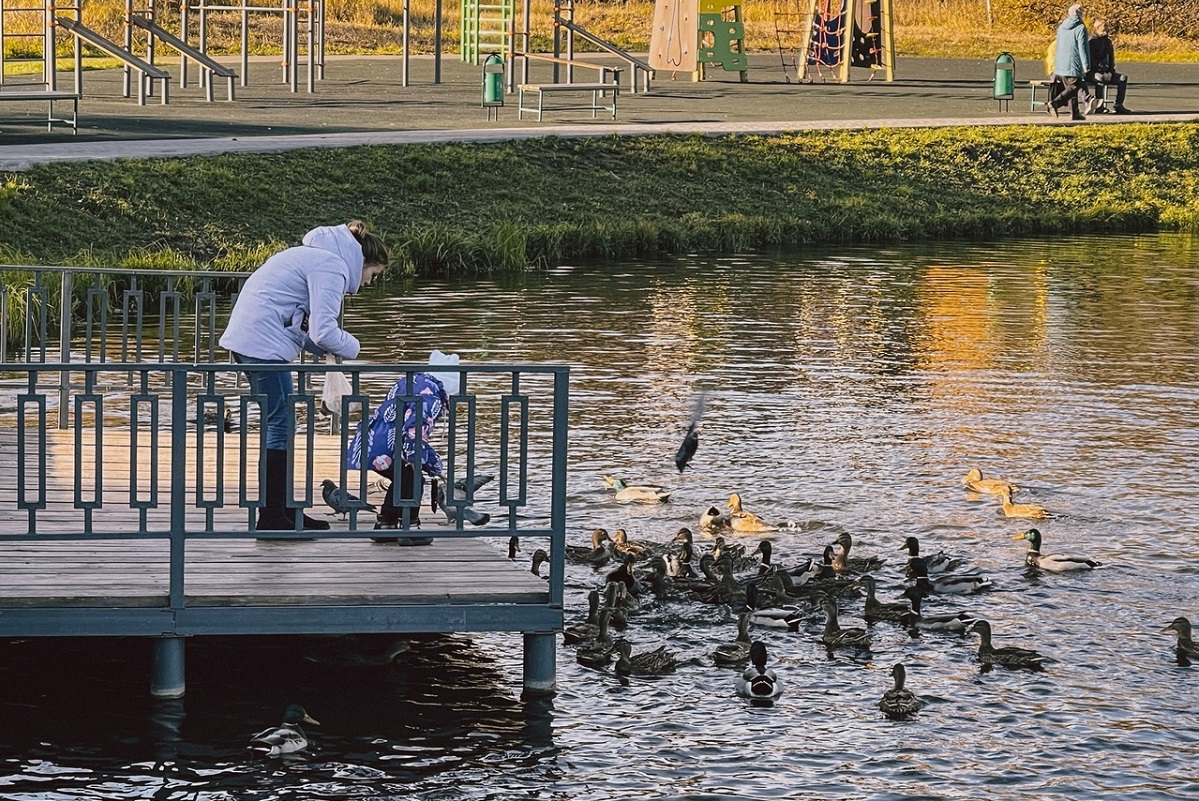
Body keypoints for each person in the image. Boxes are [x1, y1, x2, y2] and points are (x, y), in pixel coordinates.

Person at [220, 221, 389, 531]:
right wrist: (355, 347)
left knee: (282, 424)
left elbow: (305, 328)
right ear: (363, 261)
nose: (369, 282)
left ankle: (284, 511)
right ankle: (272, 517)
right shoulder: (331, 266)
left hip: (254, 341)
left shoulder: (316, 256)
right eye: (373, 274)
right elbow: (325, 331)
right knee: (280, 424)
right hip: (263, 347)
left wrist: (322, 347)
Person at [346, 369, 449, 545]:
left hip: (373, 446)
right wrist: (425, 462)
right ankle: (410, 527)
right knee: (414, 479)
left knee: (401, 478)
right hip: (392, 451)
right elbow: (414, 433)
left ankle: (386, 523)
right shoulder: (430, 400)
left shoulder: (405, 389)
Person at [1048, 3, 1090, 121]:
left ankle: (1075, 113)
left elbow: (1059, 45)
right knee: (1074, 87)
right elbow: (1083, 48)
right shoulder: (1080, 28)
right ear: (1080, 13)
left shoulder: (1061, 27)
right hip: (1073, 63)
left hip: (1061, 63)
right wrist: (1086, 65)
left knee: (1069, 86)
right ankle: (1055, 103)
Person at [1087, 19, 1130, 114]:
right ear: (1098, 27)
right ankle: (1100, 106)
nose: (1107, 28)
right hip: (1093, 72)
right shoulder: (1091, 41)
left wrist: (1110, 71)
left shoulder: (1107, 42)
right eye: (1105, 26)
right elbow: (1090, 61)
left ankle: (1119, 105)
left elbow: (1111, 59)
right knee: (1100, 78)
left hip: (1107, 72)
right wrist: (1102, 71)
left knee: (1122, 78)